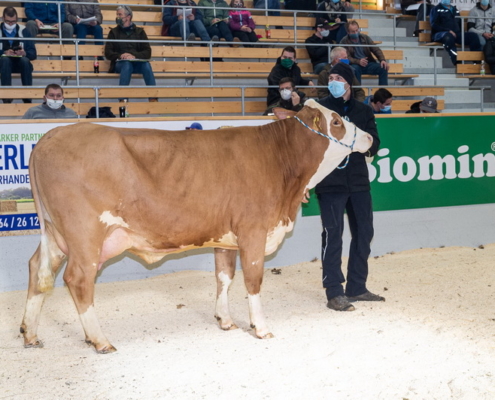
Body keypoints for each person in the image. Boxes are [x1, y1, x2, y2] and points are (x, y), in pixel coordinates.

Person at [315, 62, 383, 312]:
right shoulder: (320, 108)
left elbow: (374, 143)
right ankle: (334, 291)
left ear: (348, 83)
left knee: (364, 233)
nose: (332, 81)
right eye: (330, 77)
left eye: (337, 77)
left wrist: (356, 139)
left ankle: (357, 287)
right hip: (330, 183)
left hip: (358, 182)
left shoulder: (363, 111)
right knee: (333, 236)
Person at [105, 6, 157, 89]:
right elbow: (108, 52)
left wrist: (133, 55)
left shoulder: (140, 32)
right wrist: (121, 56)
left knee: (146, 65)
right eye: (117, 14)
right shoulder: (113, 32)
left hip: (137, 63)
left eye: (120, 14)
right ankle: (123, 99)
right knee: (127, 65)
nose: (117, 17)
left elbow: (148, 52)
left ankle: (153, 98)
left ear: (128, 17)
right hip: (120, 64)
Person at [0, 7, 36, 104]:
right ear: (3, 18)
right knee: (5, 60)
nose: (11, 24)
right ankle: (6, 97)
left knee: (25, 60)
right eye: (8, 22)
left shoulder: (24, 31)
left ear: (17, 19)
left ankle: (27, 98)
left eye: (13, 21)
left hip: (20, 64)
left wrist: (24, 53)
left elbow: (33, 53)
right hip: (2, 65)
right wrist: (3, 53)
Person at [430, 0, 482, 66]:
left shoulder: (455, 9)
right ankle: (456, 60)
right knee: (448, 37)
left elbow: (460, 23)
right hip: (441, 34)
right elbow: (434, 24)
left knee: (473, 36)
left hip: (456, 33)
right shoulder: (435, 9)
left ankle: (477, 61)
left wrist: (462, 33)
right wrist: (447, 30)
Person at [340, 20, 389, 86]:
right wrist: (358, 61)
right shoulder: (344, 41)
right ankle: (358, 93)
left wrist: (382, 60)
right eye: (353, 31)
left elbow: (376, 49)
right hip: (354, 64)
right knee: (355, 69)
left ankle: (383, 93)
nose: (356, 32)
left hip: (368, 63)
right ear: (348, 32)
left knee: (383, 68)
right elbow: (347, 57)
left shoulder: (365, 37)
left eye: (357, 30)